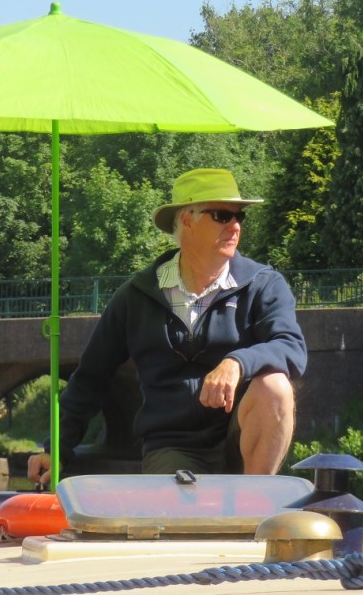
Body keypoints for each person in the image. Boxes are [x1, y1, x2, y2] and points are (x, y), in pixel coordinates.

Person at [27, 168, 307, 485]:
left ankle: (256, 501)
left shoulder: (263, 285)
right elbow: (91, 378)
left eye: (239, 216)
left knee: (274, 385)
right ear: (187, 219)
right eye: (222, 215)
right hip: (173, 446)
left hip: (240, 438)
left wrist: (238, 362)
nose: (235, 226)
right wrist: (56, 450)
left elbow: (291, 348)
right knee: (181, 509)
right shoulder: (136, 296)